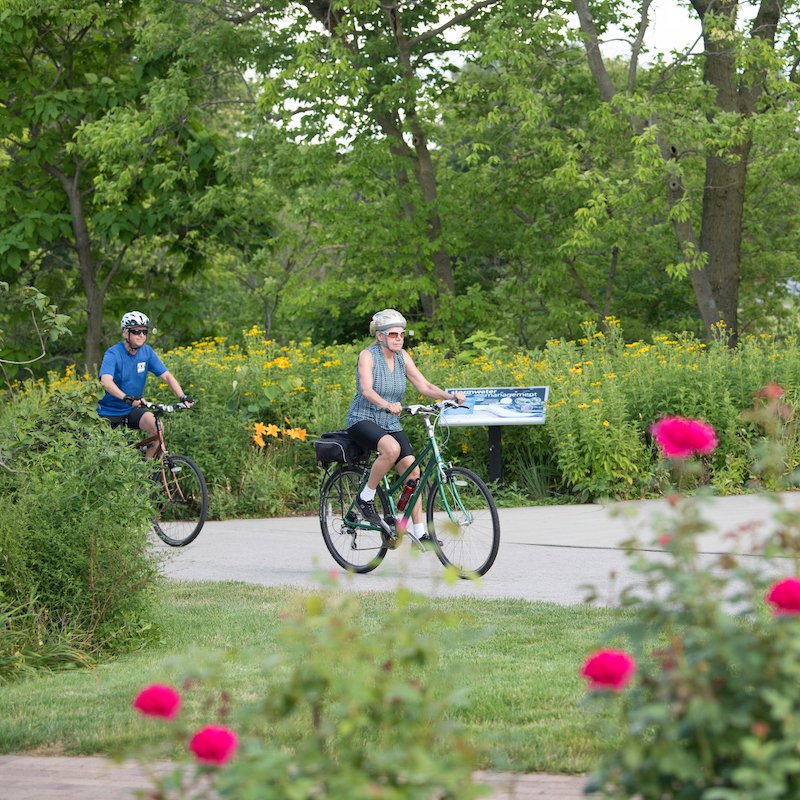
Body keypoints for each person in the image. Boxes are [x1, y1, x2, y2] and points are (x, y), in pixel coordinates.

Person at [345, 309, 465, 545]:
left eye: (401, 334)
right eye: (393, 334)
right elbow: (367, 390)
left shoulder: (402, 357)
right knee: (390, 449)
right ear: (380, 336)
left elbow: (424, 385)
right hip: (363, 418)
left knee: (414, 473)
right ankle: (365, 497)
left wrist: (448, 396)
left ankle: (419, 533)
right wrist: (387, 404)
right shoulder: (367, 356)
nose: (398, 338)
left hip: (390, 421)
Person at [97, 311, 194, 457]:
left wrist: (182, 396)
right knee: (104, 456)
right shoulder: (113, 354)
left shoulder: (146, 352)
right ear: (125, 333)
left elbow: (167, 376)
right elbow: (106, 381)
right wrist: (126, 398)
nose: (141, 335)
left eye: (144, 331)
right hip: (107, 411)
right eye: (136, 331)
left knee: (157, 427)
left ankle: (146, 475)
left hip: (131, 408)